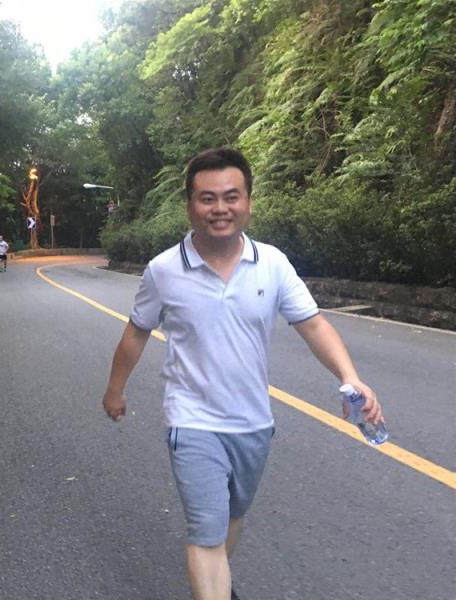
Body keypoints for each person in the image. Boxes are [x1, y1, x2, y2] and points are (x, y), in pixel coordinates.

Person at [101, 147, 384, 600]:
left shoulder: (272, 263)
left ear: (249, 201)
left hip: (253, 422)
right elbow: (136, 332)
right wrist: (115, 390)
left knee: (232, 517)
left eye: (231, 196)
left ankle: (218, 582)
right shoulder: (164, 270)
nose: (220, 208)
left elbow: (313, 325)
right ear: (190, 206)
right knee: (206, 532)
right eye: (207, 198)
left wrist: (350, 376)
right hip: (192, 420)